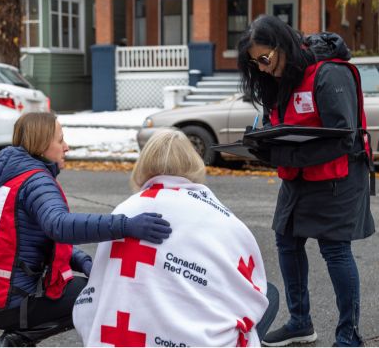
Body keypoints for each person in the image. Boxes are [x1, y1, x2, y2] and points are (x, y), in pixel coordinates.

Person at [0, 112, 172, 347]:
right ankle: (20, 338)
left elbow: (34, 240)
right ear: (41, 144)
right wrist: (126, 225)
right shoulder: (36, 180)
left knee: (82, 286)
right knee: (99, 292)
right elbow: (59, 226)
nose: (66, 147)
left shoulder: (12, 177)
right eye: (60, 140)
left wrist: (80, 261)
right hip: (6, 302)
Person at [237, 14, 375, 347]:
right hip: (298, 176)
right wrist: (262, 145)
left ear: (282, 45)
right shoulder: (279, 81)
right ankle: (300, 322)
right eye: (256, 64)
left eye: (265, 59)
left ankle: (348, 335)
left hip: (337, 176)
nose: (263, 69)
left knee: (334, 250)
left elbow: (343, 137)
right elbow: (283, 126)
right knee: (286, 240)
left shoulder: (330, 74)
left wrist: (287, 156)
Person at [72, 129, 278, 347]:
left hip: (118, 337)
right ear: (193, 163)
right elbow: (248, 285)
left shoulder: (125, 210)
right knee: (269, 294)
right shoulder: (217, 216)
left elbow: (97, 292)